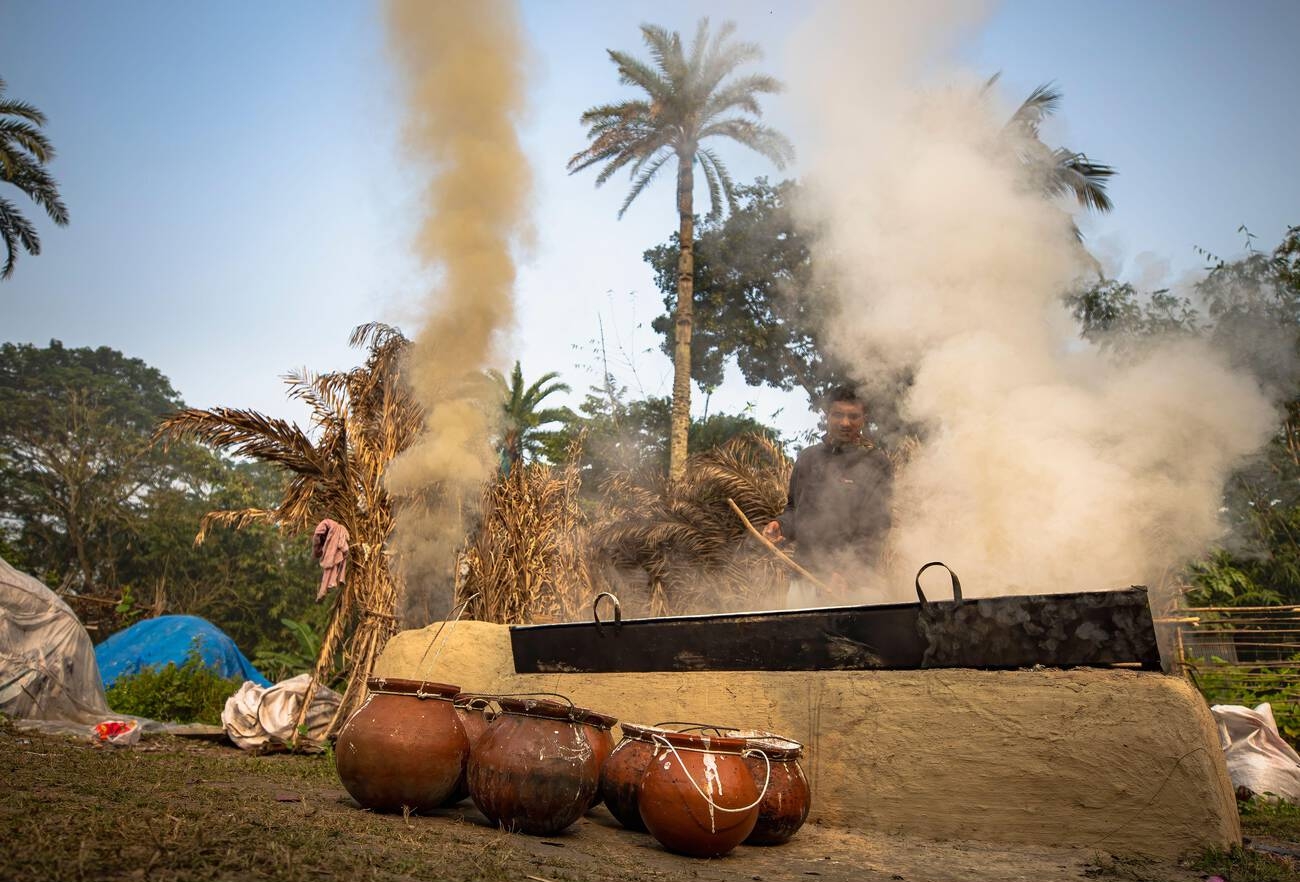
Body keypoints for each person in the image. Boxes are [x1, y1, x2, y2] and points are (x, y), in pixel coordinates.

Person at [762, 386, 893, 598]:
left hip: (853, 586)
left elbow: (876, 527)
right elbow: (794, 508)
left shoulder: (876, 463)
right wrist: (780, 526)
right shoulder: (807, 458)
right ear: (827, 415)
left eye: (853, 416)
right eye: (838, 414)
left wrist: (848, 573)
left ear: (864, 419)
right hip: (803, 578)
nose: (845, 423)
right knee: (800, 632)